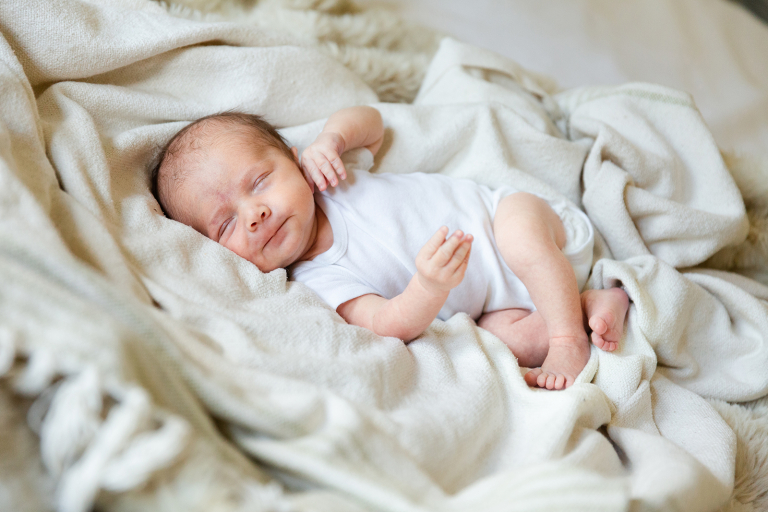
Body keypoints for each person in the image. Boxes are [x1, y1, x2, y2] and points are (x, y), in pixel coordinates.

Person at [151, 106, 629, 390]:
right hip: (501, 303)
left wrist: (331, 140)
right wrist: (427, 286)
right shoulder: (315, 283)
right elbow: (388, 322)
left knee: (520, 239)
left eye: (258, 182)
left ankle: (569, 341)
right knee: (501, 342)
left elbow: (372, 122)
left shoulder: (329, 177)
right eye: (226, 224)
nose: (253, 213)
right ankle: (590, 303)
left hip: (513, 218)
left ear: (294, 162)